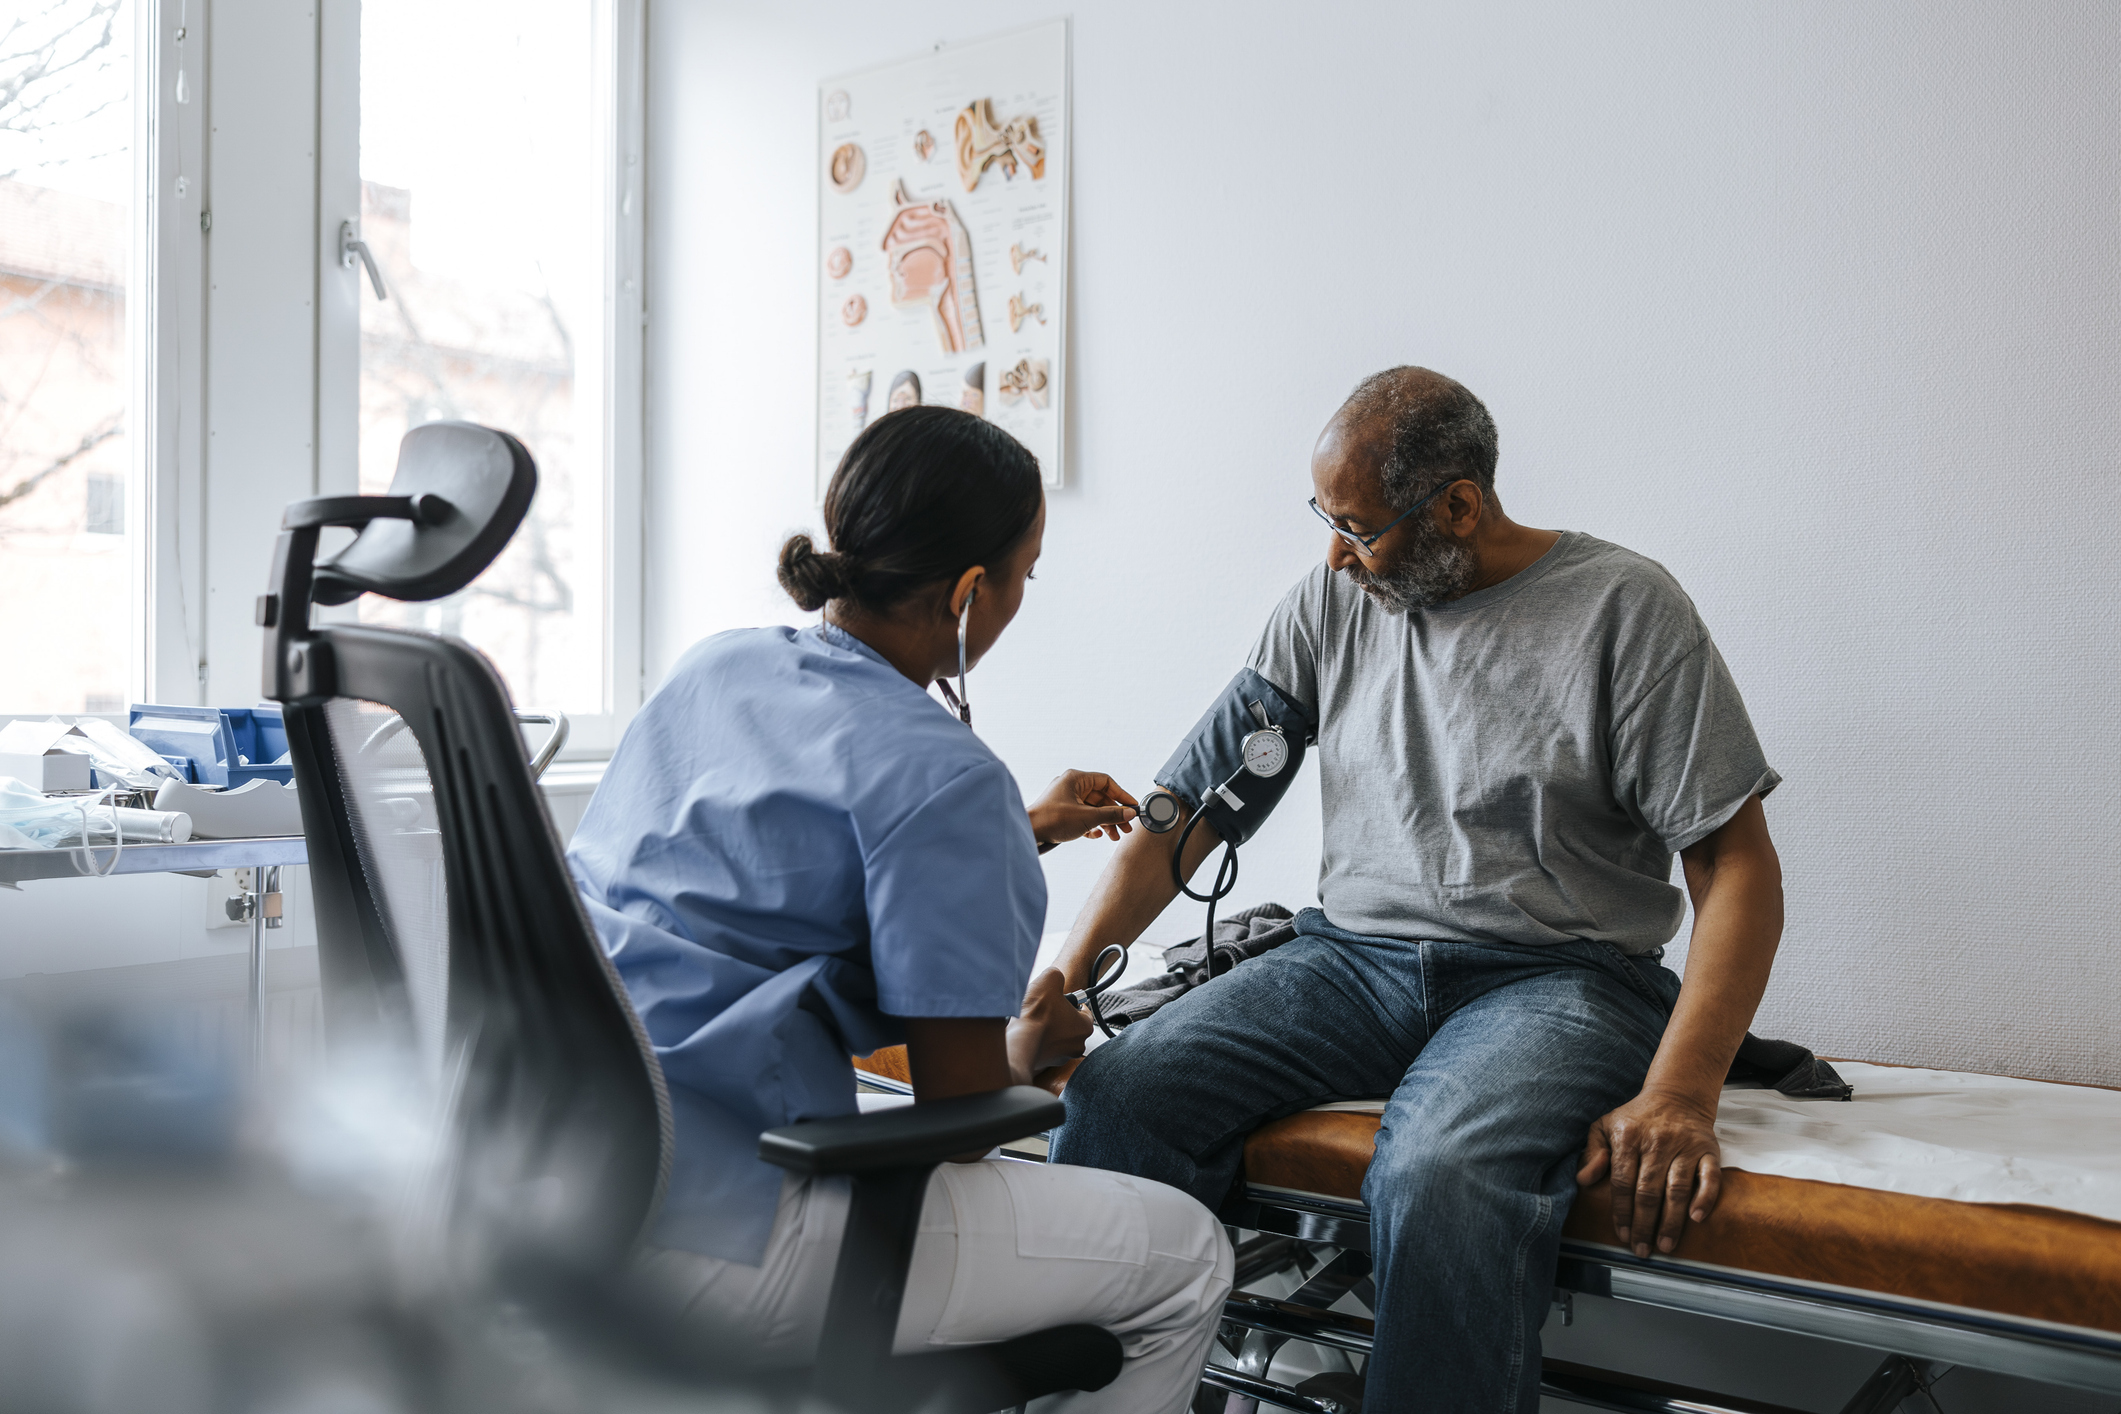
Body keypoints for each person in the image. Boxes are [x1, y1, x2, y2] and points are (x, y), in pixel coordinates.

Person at [1046, 367, 1785, 1412]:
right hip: (1350, 960)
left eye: (1359, 527)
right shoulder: (1327, 604)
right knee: (1123, 1093)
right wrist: (1070, 986)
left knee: (1438, 1171)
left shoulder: (1625, 609)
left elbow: (1735, 864)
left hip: (1563, 979)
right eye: (1326, 520)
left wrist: (1683, 1089)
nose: (1336, 554)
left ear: (1458, 506)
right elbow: (1189, 810)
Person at [565, 406, 1232, 1413]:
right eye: (1026, 575)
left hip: (568, 1186)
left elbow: (786, 853)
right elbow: (962, 1120)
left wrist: (1019, 826)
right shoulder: (945, 779)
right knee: (1187, 1255)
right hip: (728, 1230)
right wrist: (1024, 1042)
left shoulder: (718, 667)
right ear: (969, 593)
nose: (1020, 600)